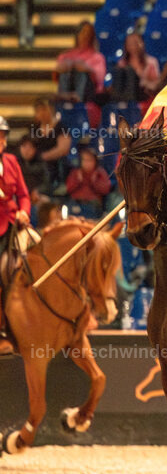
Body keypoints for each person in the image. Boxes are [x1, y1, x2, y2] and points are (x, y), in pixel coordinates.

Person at [0, 115, 32, 354]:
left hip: (13, 223)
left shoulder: (11, 161)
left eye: (2, 136)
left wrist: (23, 211)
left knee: (40, 252)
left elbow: (23, 194)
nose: (0, 141)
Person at [55, 21, 106, 121]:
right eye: (83, 32)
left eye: (88, 33)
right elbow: (57, 72)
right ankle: (66, 96)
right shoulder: (66, 55)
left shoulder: (97, 57)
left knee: (82, 72)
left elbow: (100, 80)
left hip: (88, 94)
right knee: (68, 68)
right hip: (68, 87)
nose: (85, 36)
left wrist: (87, 68)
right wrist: (67, 66)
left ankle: (77, 98)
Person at [29, 98, 71, 185]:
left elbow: (63, 149)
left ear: (51, 110)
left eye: (44, 109)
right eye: (39, 111)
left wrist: (44, 156)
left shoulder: (60, 127)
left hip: (55, 165)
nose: (42, 113)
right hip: (37, 165)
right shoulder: (34, 128)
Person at [111, 33, 161, 107]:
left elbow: (155, 84)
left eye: (135, 42)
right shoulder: (122, 63)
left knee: (130, 72)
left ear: (141, 43)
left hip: (143, 93)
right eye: (129, 43)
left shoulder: (151, 62)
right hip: (124, 95)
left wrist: (143, 81)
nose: (132, 45)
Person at [65, 146, 111, 215]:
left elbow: (105, 189)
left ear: (95, 161)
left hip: (93, 206)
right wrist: (78, 180)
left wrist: (94, 182)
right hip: (76, 204)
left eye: (89, 160)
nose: (87, 163)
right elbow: (68, 188)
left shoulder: (99, 173)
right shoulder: (76, 172)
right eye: (84, 160)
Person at [16, 135, 50, 201]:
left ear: (35, 149)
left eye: (30, 147)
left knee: (45, 201)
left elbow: (47, 184)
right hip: (18, 196)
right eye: (24, 146)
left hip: (37, 196)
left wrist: (37, 191)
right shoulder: (14, 163)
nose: (26, 151)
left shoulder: (41, 163)